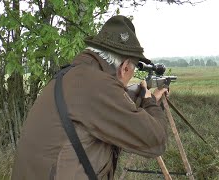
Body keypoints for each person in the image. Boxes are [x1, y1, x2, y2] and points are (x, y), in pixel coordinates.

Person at [11, 15, 169, 180]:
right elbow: (156, 141)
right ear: (124, 68)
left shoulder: (71, 75)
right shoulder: (99, 85)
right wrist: (150, 102)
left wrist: (145, 100)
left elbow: (107, 107)